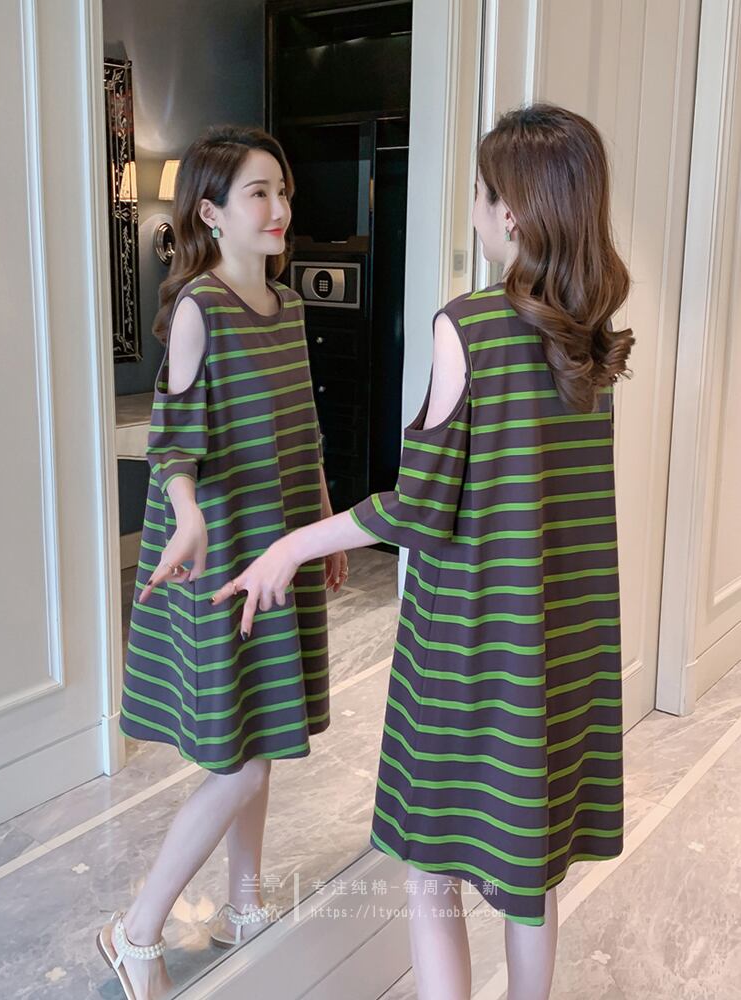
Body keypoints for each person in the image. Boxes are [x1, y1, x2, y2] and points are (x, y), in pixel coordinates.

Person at [210, 103, 635, 1000]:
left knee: (431, 869)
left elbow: (418, 506)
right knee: (530, 873)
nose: (474, 211)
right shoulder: (589, 335)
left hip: (470, 646)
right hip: (566, 640)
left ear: (510, 211)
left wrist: (291, 545)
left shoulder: (468, 326)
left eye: (481, 194)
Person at [97, 124, 348, 1000]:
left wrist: (322, 522)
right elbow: (172, 437)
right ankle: (135, 932)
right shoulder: (200, 309)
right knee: (239, 757)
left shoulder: (289, 306)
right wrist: (187, 513)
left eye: (283, 191)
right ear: (211, 212)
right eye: (259, 193)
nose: (280, 209)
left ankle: (244, 904)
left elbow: (303, 428)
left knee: (263, 733)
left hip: (280, 545)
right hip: (222, 554)